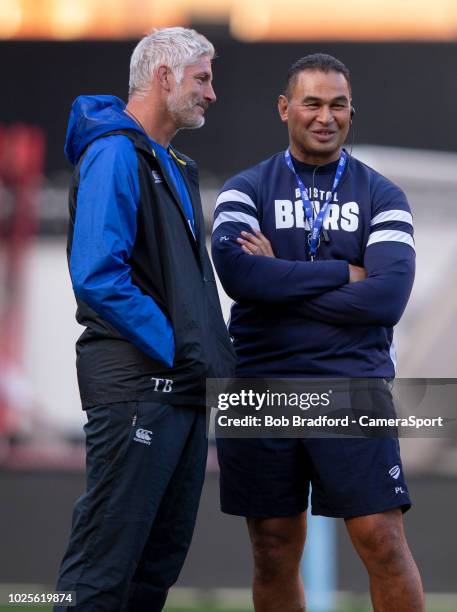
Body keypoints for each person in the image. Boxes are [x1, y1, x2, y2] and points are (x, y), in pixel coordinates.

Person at [211, 54, 423, 611]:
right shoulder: (244, 189)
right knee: (273, 548)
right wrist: (338, 273)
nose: (324, 116)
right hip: (260, 387)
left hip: (352, 385)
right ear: (285, 109)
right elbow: (238, 274)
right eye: (311, 103)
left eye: (337, 104)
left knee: (381, 539)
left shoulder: (383, 195)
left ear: (351, 111)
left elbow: (387, 297)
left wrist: (279, 280)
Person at [55, 27, 235, 611]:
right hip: (139, 389)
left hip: (178, 391)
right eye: (202, 78)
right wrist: (177, 346)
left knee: (150, 577)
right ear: (163, 76)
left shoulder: (173, 163)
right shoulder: (113, 151)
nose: (211, 93)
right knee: (101, 575)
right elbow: (98, 275)